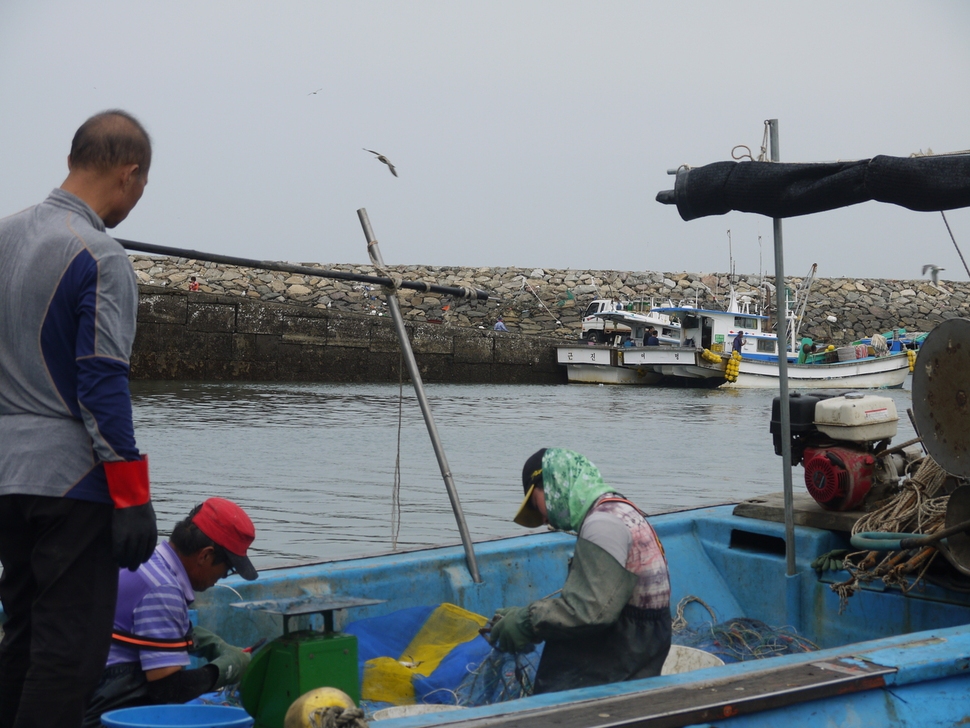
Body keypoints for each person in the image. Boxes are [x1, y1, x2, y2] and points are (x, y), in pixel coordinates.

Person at [0, 110, 158, 728]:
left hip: (7, 479)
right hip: (71, 484)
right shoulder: (101, 255)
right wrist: (132, 495)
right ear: (129, 173)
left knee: (22, 635)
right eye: (142, 188)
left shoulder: (5, 235)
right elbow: (100, 383)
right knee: (69, 653)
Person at [488, 449, 671, 694]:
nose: (543, 519)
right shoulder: (618, 507)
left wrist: (526, 621)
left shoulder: (601, 523)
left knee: (553, 687)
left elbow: (591, 612)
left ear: (553, 484)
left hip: (628, 644)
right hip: (644, 637)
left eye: (536, 503)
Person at [83, 499, 258, 727]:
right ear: (205, 555)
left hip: (80, 681)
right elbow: (167, 691)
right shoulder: (163, 590)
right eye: (226, 571)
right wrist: (225, 669)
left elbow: (141, 629)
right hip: (99, 710)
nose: (219, 580)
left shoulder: (148, 561)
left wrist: (211, 644)